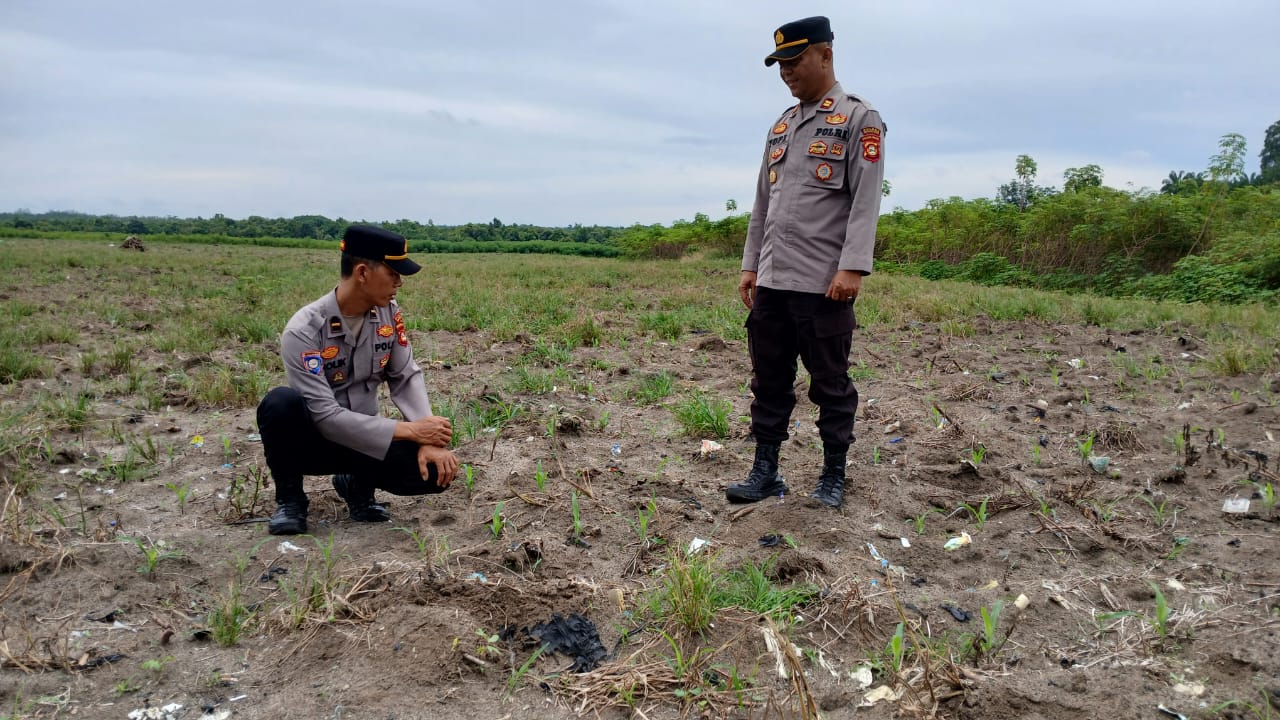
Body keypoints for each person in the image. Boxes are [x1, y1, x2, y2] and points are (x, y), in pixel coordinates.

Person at [726, 16, 885, 510]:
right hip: (773, 281)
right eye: (780, 65)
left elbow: (865, 200)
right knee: (768, 380)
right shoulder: (781, 127)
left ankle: (833, 475)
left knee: (831, 384)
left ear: (825, 55)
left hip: (823, 285)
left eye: (795, 61)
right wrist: (752, 265)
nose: (787, 72)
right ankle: (766, 472)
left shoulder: (860, 119)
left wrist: (853, 266)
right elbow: (762, 205)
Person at [256, 224, 459, 535]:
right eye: (393, 273)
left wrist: (428, 437)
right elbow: (326, 416)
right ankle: (290, 500)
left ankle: (355, 485)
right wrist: (412, 431)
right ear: (363, 272)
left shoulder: (388, 314)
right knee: (280, 403)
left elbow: (405, 376)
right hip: (316, 442)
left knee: (433, 472)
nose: (399, 283)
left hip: (364, 438)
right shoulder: (305, 329)